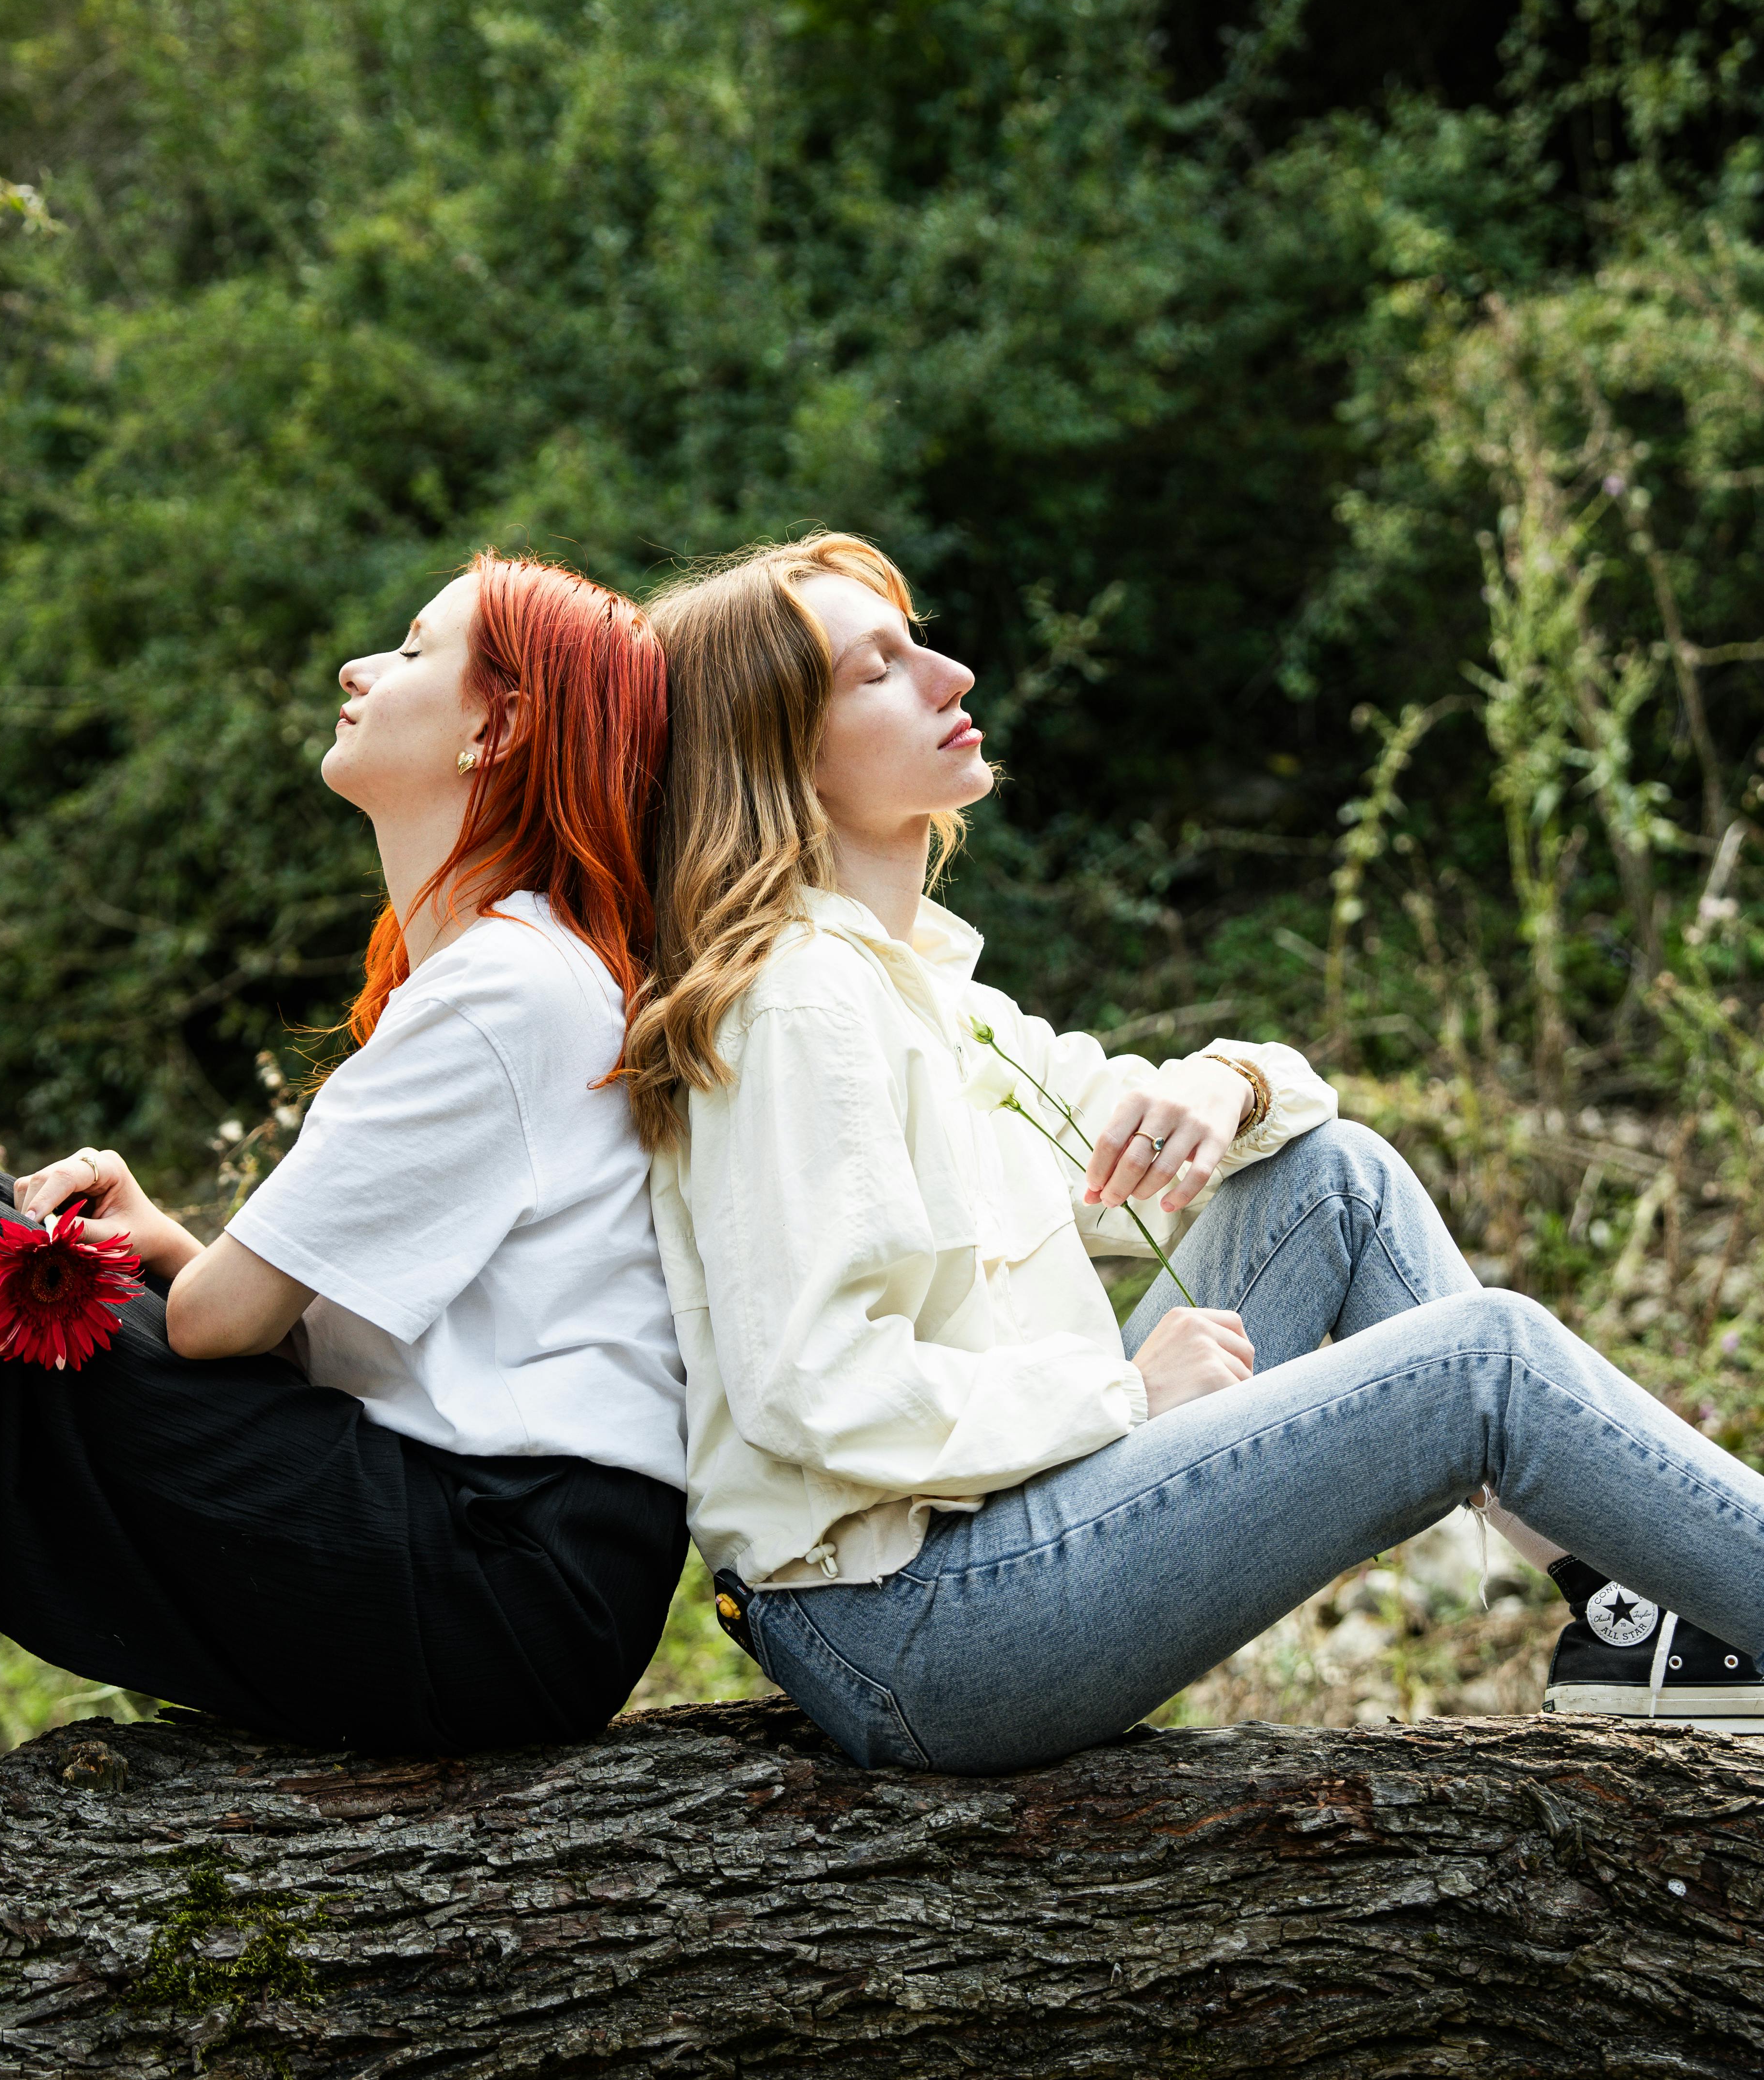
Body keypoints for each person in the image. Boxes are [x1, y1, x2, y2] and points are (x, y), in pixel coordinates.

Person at [0, 554, 689, 1877]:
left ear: (494, 725)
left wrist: (182, 1271)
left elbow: (222, 1327)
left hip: (501, 1576)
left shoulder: (510, 983)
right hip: (502, 1565)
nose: (359, 669)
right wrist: (163, 1240)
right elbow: (336, 1334)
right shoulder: (525, 970)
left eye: (409, 650)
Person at [623, 530, 1764, 1775]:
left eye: (921, 644)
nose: (949, 675)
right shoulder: (798, 1006)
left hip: (998, 1540)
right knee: (1479, 1361)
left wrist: (1230, 1081)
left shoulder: (930, 994)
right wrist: (1124, 1394)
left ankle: (1641, 1625)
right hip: (911, 1622)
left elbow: (1198, 1122)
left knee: (1336, 1182)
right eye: (877, 670)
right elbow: (815, 1389)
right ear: (776, 750)